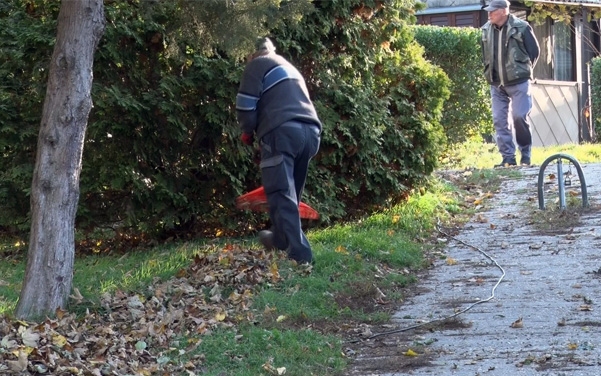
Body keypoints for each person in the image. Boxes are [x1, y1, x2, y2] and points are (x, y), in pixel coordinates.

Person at [236, 37, 322, 264]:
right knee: (288, 193)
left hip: (281, 132)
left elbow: (245, 106)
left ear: (251, 54)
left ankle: (300, 256)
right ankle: (279, 239)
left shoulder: (258, 64)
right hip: (310, 133)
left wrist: (247, 132)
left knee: (280, 193)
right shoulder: (288, 66)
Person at [481, 0, 540, 167]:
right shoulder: (485, 29)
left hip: (519, 82)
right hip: (496, 84)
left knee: (519, 116)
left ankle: (526, 154)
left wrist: (523, 71)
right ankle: (508, 158)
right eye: (489, 11)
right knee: (500, 120)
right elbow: (484, 54)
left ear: (503, 11)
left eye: (493, 11)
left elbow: (534, 52)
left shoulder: (521, 27)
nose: (489, 13)